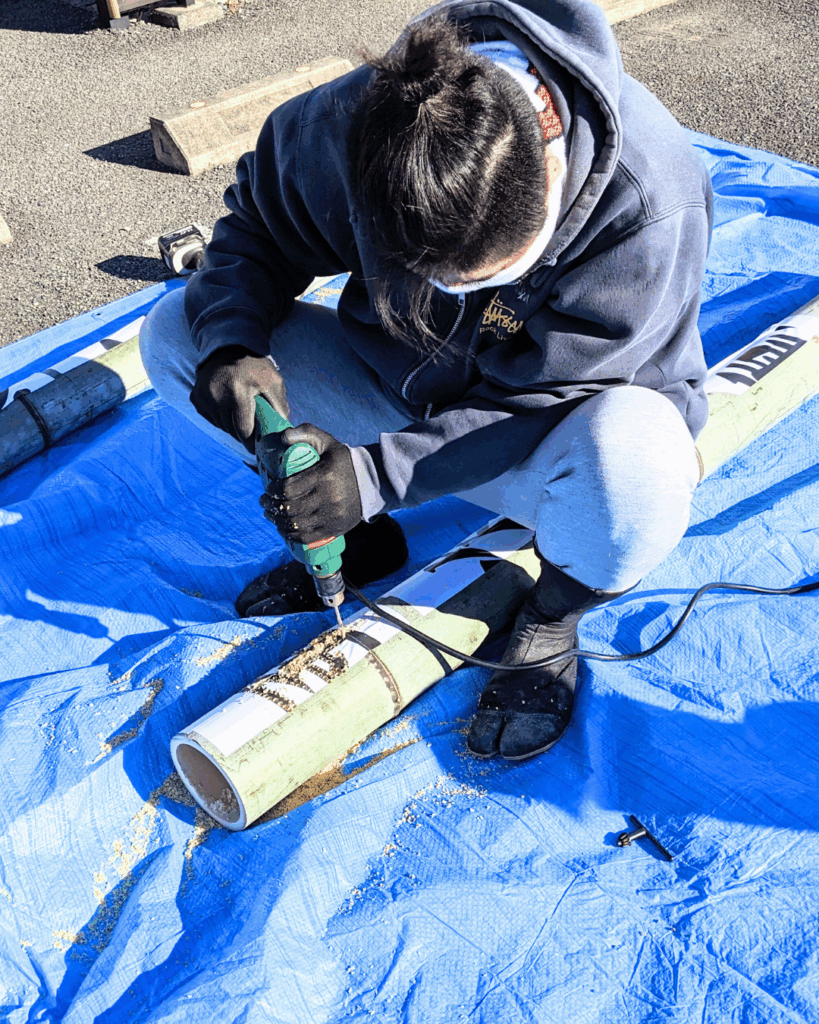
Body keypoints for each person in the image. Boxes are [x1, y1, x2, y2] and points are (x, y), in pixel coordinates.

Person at [139, 0, 712, 762]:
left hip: (549, 438)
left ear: (549, 175)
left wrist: (378, 472)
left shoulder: (644, 201)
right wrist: (234, 341)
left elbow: (546, 398)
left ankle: (550, 616)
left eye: (481, 280)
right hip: (404, 397)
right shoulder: (356, 123)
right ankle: (356, 535)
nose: (445, 297)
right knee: (180, 334)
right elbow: (256, 230)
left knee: (637, 469)